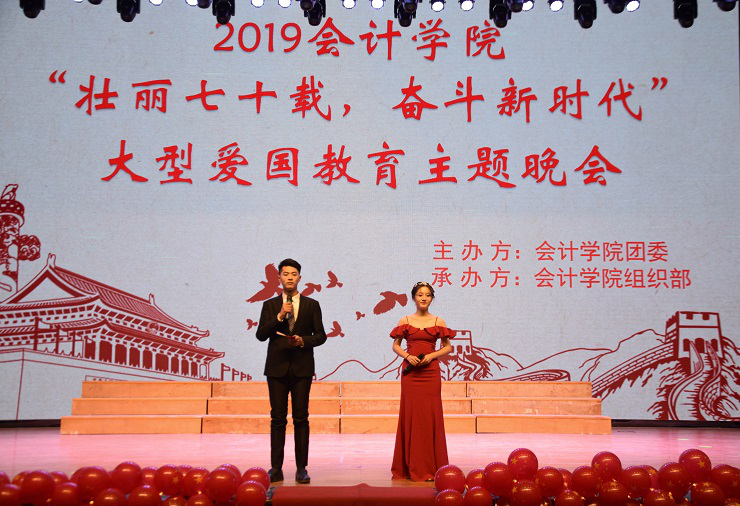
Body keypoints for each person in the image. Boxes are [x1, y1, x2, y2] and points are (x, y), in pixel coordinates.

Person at [256, 258, 327, 485]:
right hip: (276, 369)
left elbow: (321, 335)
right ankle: (276, 468)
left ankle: (301, 469)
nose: (289, 277)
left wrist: (303, 340)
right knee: (277, 418)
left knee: (301, 418)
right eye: (285, 274)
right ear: (279, 277)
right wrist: (279, 316)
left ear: (299, 278)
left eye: (293, 274)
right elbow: (261, 335)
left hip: (301, 368)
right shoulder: (270, 305)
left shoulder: (312, 305)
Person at [390, 281, 454, 481]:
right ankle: (410, 466)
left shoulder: (438, 321)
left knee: (430, 417)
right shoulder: (405, 320)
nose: (423, 298)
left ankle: (433, 467)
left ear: (432, 298)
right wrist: (407, 356)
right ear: (413, 298)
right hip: (411, 374)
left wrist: (432, 356)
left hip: (430, 373)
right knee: (411, 416)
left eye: (427, 295)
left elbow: (448, 347)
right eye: (420, 295)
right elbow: (396, 345)